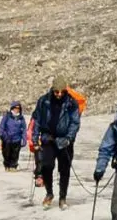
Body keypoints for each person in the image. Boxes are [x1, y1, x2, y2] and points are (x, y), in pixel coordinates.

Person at [30, 80, 84, 209]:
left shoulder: (71, 102)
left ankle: (62, 197)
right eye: (56, 91)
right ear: (52, 89)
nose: (59, 94)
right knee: (46, 166)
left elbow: (74, 122)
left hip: (64, 140)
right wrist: (34, 137)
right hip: (48, 138)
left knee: (64, 169)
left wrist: (69, 138)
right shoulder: (43, 101)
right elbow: (36, 119)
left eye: (61, 92)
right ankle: (49, 193)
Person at [0, 101, 28, 172]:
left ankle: (13, 166)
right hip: (7, 139)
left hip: (17, 139)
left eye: (18, 108)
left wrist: (24, 139)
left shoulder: (21, 118)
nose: (17, 109)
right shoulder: (7, 116)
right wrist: (3, 135)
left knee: (15, 154)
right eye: (15, 108)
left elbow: (24, 129)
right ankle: (7, 165)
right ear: (12, 108)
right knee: (6, 154)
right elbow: (1, 127)